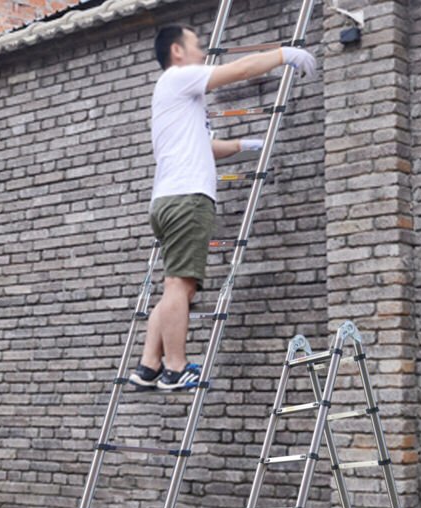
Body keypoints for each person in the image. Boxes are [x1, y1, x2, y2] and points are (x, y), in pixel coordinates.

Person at [129, 25, 317, 391]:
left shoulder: (178, 97)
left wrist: (245, 145)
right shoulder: (179, 77)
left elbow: (207, 146)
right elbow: (241, 70)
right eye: (197, 45)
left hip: (169, 199)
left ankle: (150, 364)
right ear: (177, 51)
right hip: (187, 199)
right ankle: (176, 368)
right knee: (178, 286)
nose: (204, 52)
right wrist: (285, 54)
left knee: (175, 287)